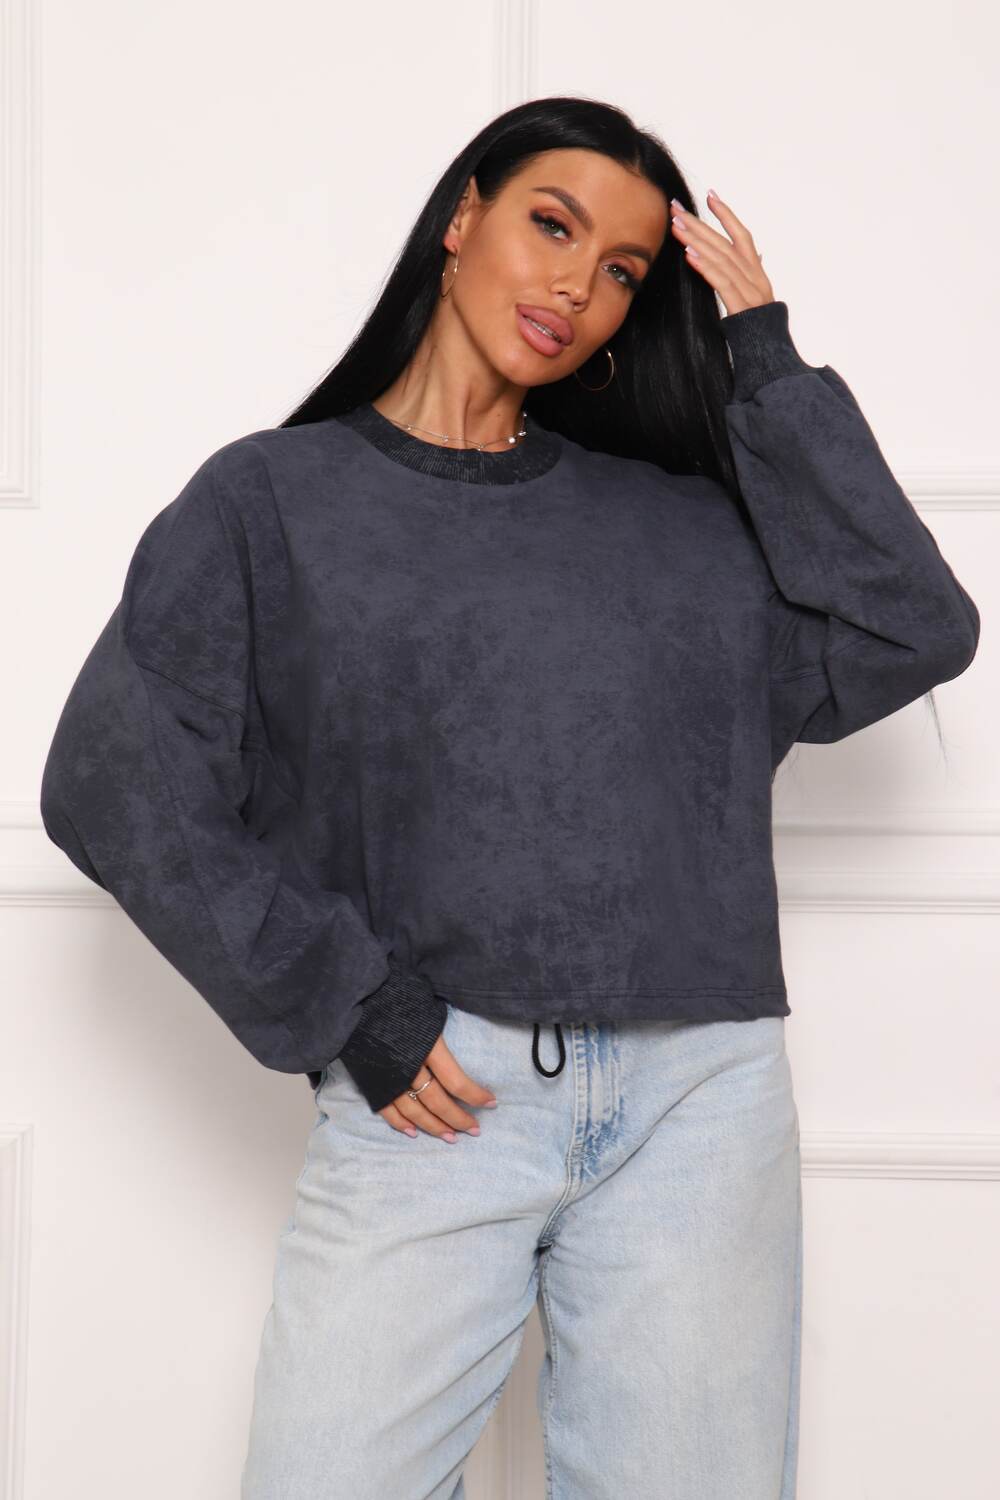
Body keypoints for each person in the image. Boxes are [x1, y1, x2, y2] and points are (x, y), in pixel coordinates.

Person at [39, 96, 979, 1499]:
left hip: (699, 1105)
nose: (576, 285)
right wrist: (344, 1001)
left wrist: (766, 361)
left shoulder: (675, 528)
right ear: (464, 214)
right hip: (436, 1094)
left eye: (622, 270)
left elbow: (917, 625)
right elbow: (114, 778)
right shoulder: (271, 503)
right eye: (552, 224)